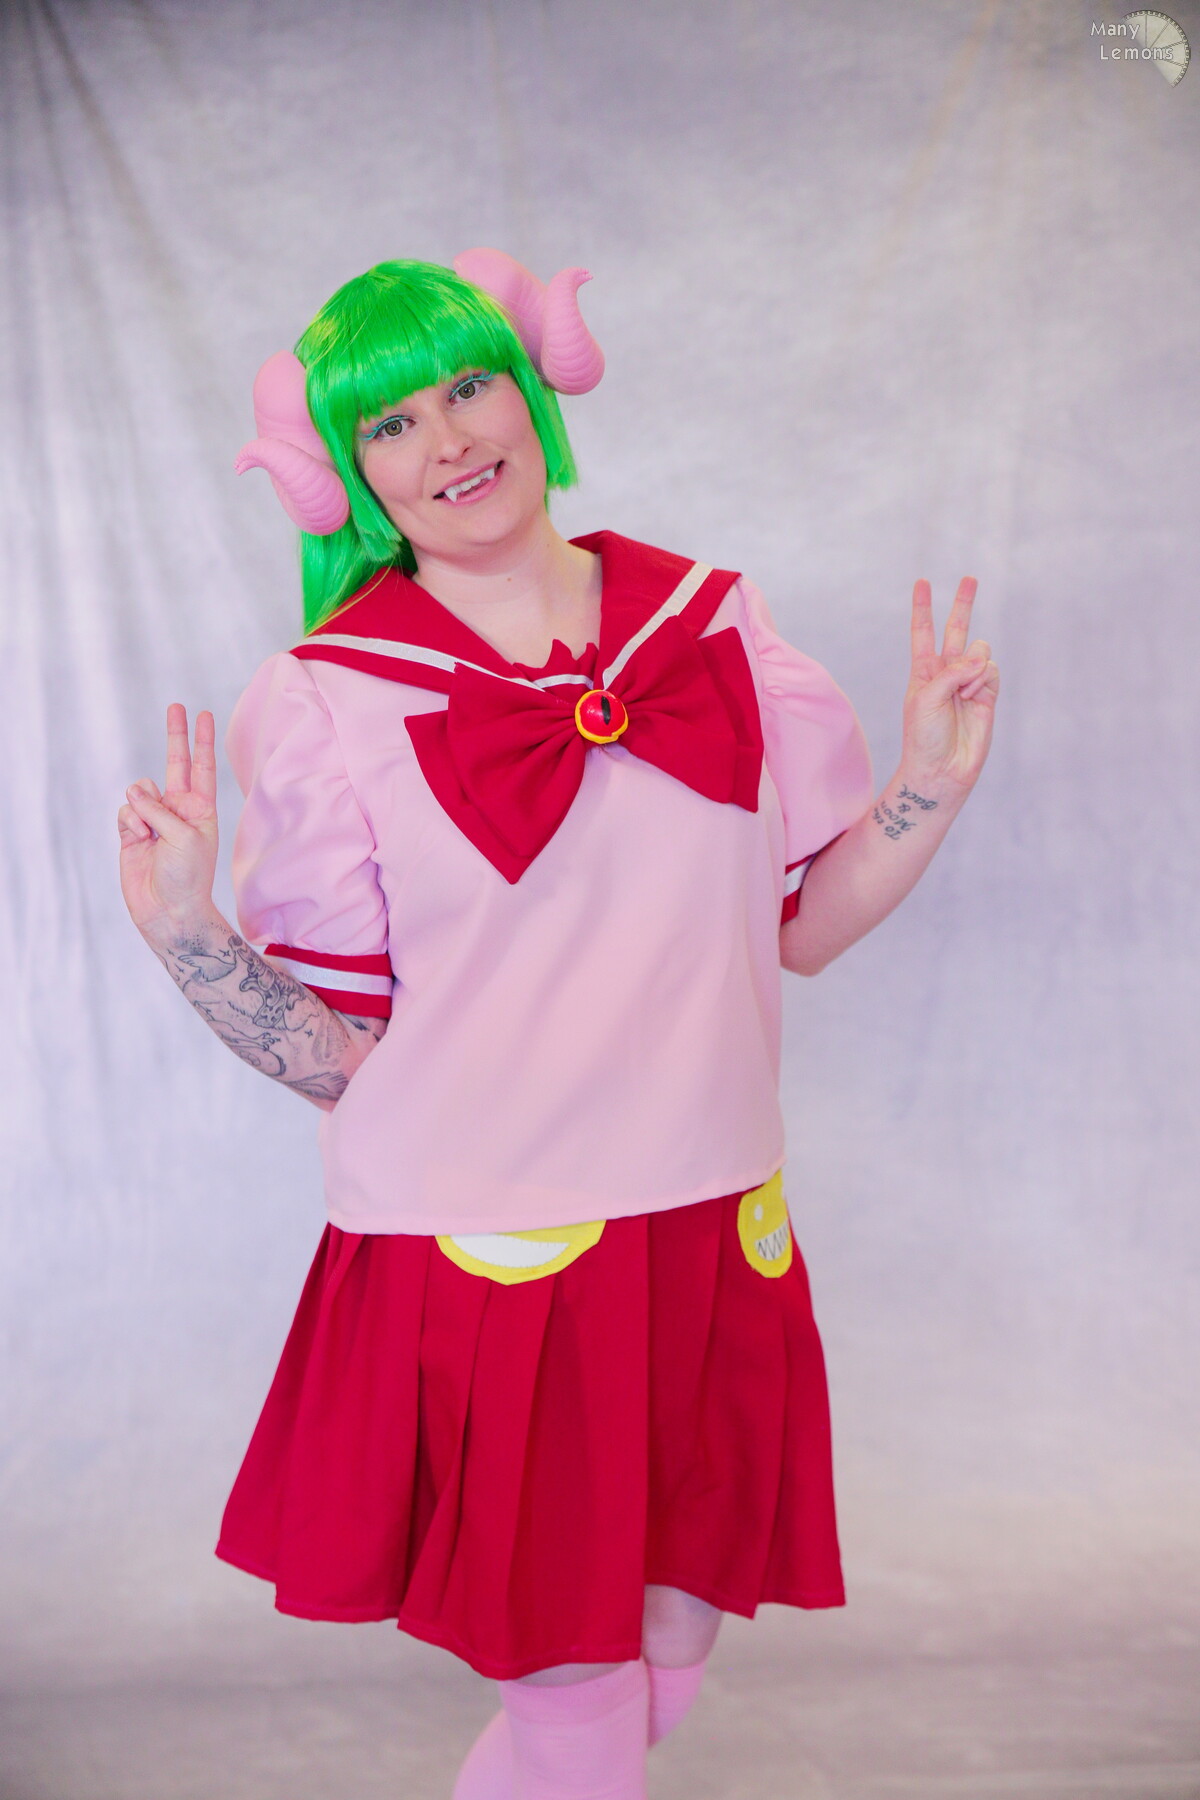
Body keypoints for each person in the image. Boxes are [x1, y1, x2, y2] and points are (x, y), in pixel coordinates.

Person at [116, 250, 999, 1800]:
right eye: (392, 423)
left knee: (658, 1683)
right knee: (578, 1716)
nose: (449, 440)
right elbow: (340, 1054)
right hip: (495, 1263)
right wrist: (188, 933)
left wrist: (927, 785)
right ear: (352, 474)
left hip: (711, 1228)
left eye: (469, 387)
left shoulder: (712, 620)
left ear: (530, 393)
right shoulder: (327, 701)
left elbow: (801, 928)